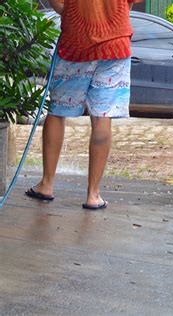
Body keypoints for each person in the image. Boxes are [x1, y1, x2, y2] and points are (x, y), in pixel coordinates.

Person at [26, 0, 142, 209]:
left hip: (76, 44)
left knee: (58, 111)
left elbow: (60, 5)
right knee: (102, 116)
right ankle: (93, 195)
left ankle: (46, 184)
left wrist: (70, 11)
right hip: (115, 45)